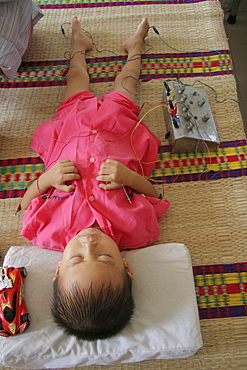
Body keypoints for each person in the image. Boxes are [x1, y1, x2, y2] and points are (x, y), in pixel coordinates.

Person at [20, 16, 170, 341]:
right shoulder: (136, 229)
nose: (89, 245)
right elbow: (154, 192)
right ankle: (135, 48)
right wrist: (129, 176)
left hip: (71, 126)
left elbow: (25, 200)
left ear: (57, 270)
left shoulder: (45, 231)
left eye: (75, 258)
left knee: (76, 77)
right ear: (126, 267)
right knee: (127, 81)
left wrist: (46, 180)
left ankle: (78, 44)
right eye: (104, 257)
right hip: (118, 127)